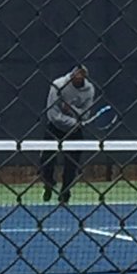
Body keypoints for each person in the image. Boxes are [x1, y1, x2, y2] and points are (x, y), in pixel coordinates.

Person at [40, 65, 95, 203]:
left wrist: (71, 109)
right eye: (74, 75)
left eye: (80, 76)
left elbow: (86, 114)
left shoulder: (89, 90)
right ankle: (48, 184)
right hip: (54, 128)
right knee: (46, 162)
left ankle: (65, 191)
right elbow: (53, 115)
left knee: (71, 165)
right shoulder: (58, 85)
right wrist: (74, 121)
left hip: (75, 133)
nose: (76, 78)